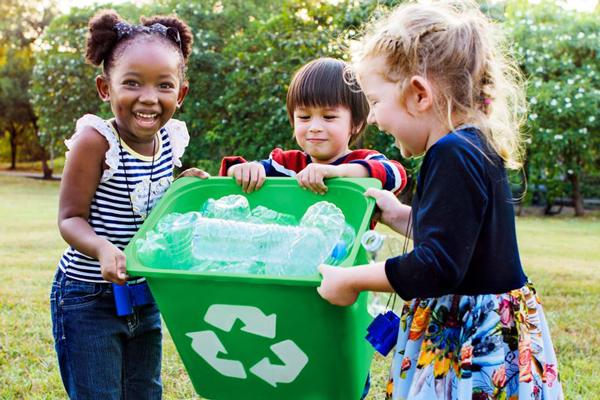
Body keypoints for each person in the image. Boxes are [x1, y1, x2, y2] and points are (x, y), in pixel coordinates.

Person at [317, 1, 564, 399]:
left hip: (468, 340)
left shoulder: (449, 152)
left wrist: (352, 280)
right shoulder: (474, 143)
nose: (375, 118)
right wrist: (400, 215)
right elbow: (460, 240)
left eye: (377, 103)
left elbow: (438, 266)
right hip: (492, 328)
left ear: (419, 95)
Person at [50, 10, 208, 399]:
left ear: (180, 94)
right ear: (106, 88)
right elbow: (70, 218)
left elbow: (151, 199)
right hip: (88, 297)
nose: (148, 98)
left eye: (164, 85)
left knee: (144, 392)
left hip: (144, 294)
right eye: (132, 83)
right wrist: (103, 247)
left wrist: (182, 187)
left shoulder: (171, 139)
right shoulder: (95, 141)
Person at [219, 57, 407, 196]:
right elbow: (231, 173)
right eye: (304, 117)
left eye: (329, 116)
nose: (315, 127)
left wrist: (337, 172)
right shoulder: (286, 166)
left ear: (356, 124)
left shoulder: (363, 160)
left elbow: (396, 175)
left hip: (350, 250)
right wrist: (242, 170)